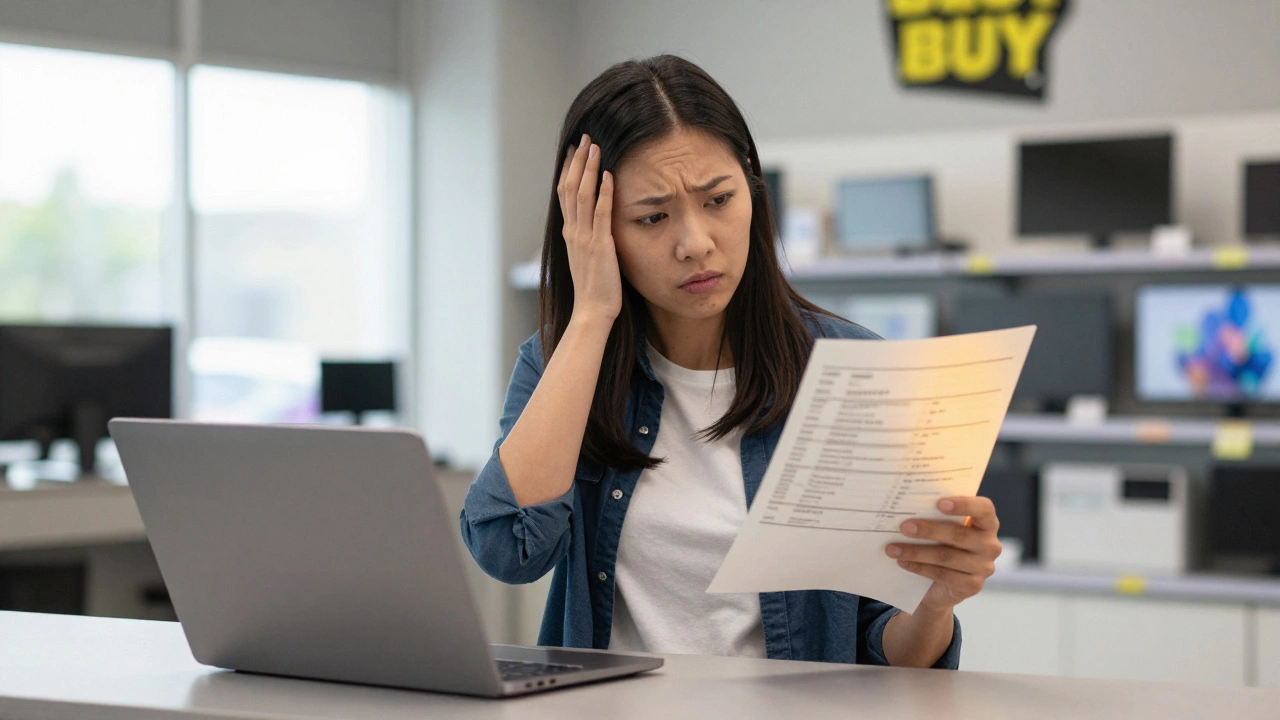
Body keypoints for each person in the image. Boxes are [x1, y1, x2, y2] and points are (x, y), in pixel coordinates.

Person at [460, 54, 1002, 668]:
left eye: (718, 199)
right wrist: (589, 318)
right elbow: (509, 551)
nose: (696, 243)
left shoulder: (852, 369)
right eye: (652, 217)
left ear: (752, 189)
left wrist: (935, 601)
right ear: (594, 228)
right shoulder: (560, 363)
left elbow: (890, 658)